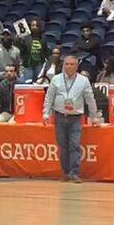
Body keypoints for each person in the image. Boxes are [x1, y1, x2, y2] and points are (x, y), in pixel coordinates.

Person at [42, 55, 100, 183]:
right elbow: (49, 97)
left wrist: (94, 116)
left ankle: (73, 172)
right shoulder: (56, 79)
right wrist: (46, 113)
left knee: (74, 145)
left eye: (71, 64)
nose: (68, 66)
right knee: (62, 146)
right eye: (66, 64)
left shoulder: (83, 81)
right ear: (63, 65)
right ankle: (65, 172)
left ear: (76, 66)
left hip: (75, 118)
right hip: (59, 116)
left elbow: (90, 99)